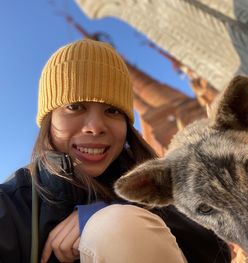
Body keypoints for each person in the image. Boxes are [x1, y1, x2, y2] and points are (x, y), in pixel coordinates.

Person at [0, 39, 231, 263]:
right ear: (49, 120)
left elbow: (216, 247)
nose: (95, 127)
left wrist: (118, 213)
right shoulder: (13, 204)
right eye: (75, 107)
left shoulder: (155, 187)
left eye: (112, 110)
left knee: (118, 226)